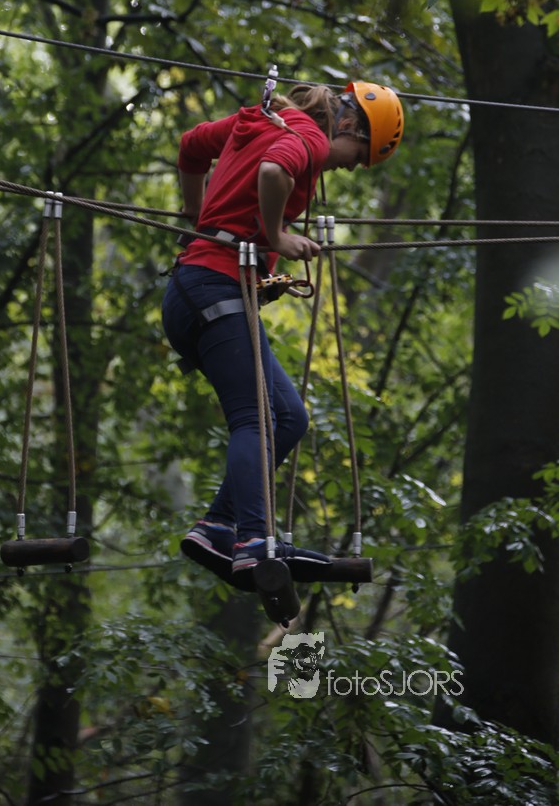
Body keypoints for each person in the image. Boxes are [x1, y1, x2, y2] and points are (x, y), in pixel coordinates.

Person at [162, 79, 404, 577]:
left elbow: (191, 146)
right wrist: (276, 236)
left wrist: (195, 212)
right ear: (348, 124)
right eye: (358, 156)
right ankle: (255, 541)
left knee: (289, 417)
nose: (349, 167)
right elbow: (273, 171)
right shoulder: (308, 136)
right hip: (213, 287)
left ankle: (218, 526)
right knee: (256, 419)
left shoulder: (258, 122)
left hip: (198, 291)